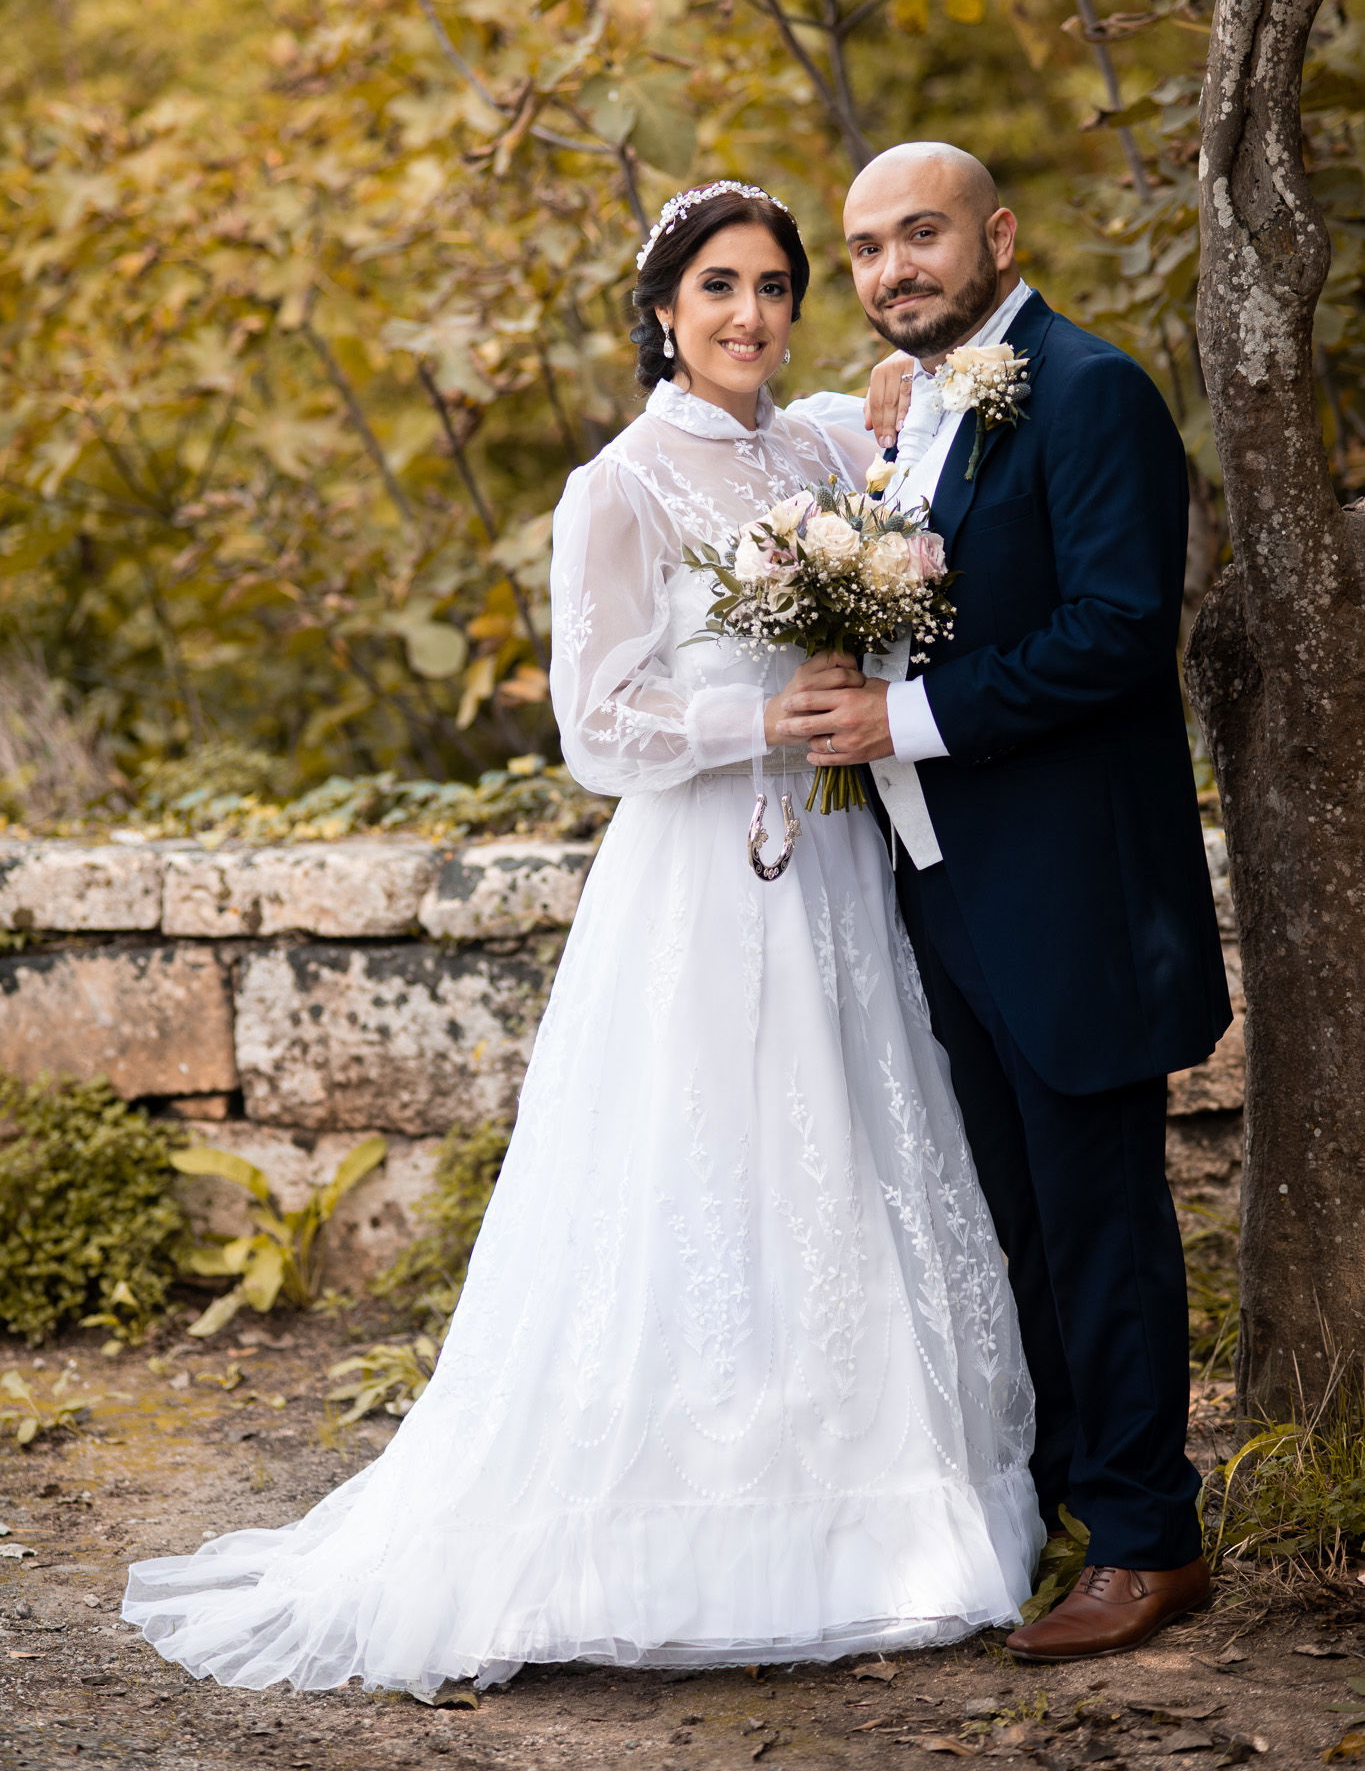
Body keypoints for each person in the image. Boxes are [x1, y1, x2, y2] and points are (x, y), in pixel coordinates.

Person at [122, 181, 1043, 1699]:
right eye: (715, 290)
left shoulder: (817, 441)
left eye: (770, 286)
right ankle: (662, 1534)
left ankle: (886, 1521)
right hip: (698, 881)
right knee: (700, 1173)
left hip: (833, 872)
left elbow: (903, 416)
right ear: (663, 316)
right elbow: (596, 727)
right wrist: (769, 719)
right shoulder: (616, 485)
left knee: (844, 1158)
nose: (747, 315)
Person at [775, 142, 1232, 1662]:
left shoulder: (1087, 388)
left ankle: (1150, 1538)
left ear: (996, 235)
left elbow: (1116, 632)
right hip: (941, 885)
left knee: (1099, 1221)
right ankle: (1051, 1502)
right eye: (863, 248)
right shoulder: (914, 414)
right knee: (1013, 1222)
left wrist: (899, 725)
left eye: (920, 235)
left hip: (1069, 892)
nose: (891, 268)